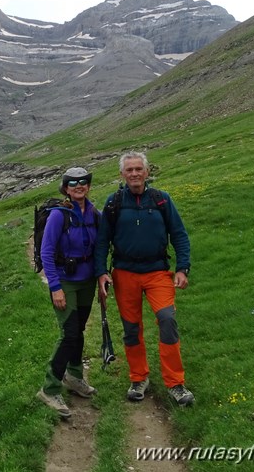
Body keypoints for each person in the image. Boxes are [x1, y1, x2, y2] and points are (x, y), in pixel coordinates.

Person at [94, 151, 195, 406]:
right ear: (122, 174)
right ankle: (139, 378)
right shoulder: (114, 202)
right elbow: (102, 241)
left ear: (147, 172)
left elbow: (179, 235)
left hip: (157, 272)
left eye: (139, 169)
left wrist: (183, 268)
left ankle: (176, 383)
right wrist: (101, 272)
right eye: (129, 170)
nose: (135, 174)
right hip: (124, 274)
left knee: (167, 319)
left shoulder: (161, 200)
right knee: (131, 329)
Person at [36, 166, 100, 418]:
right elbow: (47, 252)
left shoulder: (94, 213)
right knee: (69, 333)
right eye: (73, 183)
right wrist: (55, 287)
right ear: (65, 187)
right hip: (65, 282)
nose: (78, 186)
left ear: (88, 185)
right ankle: (49, 388)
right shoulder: (58, 216)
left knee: (79, 331)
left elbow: (102, 243)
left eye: (83, 182)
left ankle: (74, 376)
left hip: (87, 281)